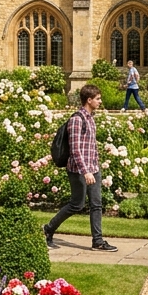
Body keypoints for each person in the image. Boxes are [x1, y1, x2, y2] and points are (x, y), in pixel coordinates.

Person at [43, 84, 117, 252]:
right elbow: (75, 149)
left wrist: (95, 167)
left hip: (93, 169)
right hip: (78, 170)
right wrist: (86, 171)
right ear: (88, 100)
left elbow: (92, 146)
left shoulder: (91, 118)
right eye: (97, 99)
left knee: (97, 204)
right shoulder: (77, 120)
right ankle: (48, 229)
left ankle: (97, 241)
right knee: (77, 204)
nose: (100, 101)